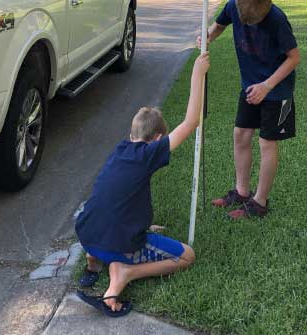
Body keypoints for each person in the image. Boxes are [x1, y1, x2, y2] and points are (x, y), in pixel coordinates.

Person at [75, 52, 210, 317]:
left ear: (131, 134)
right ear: (158, 138)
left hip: (87, 234)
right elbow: (192, 121)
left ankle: (94, 264)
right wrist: (198, 73)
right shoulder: (149, 154)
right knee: (187, 256)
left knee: (108, 210)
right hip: (118, 242)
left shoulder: (120, 150)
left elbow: (120, 195)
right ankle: (126, 271)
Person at [197, 0, 300, 219]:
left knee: (266, 143)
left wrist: (266, 85)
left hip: (276, 90)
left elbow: (294, 58)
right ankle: (242, 193)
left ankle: (259, 203)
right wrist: (208, 37)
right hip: (250, 85)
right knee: (241, 134)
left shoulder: (277, 19)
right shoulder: (233, 5)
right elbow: (219, 26)